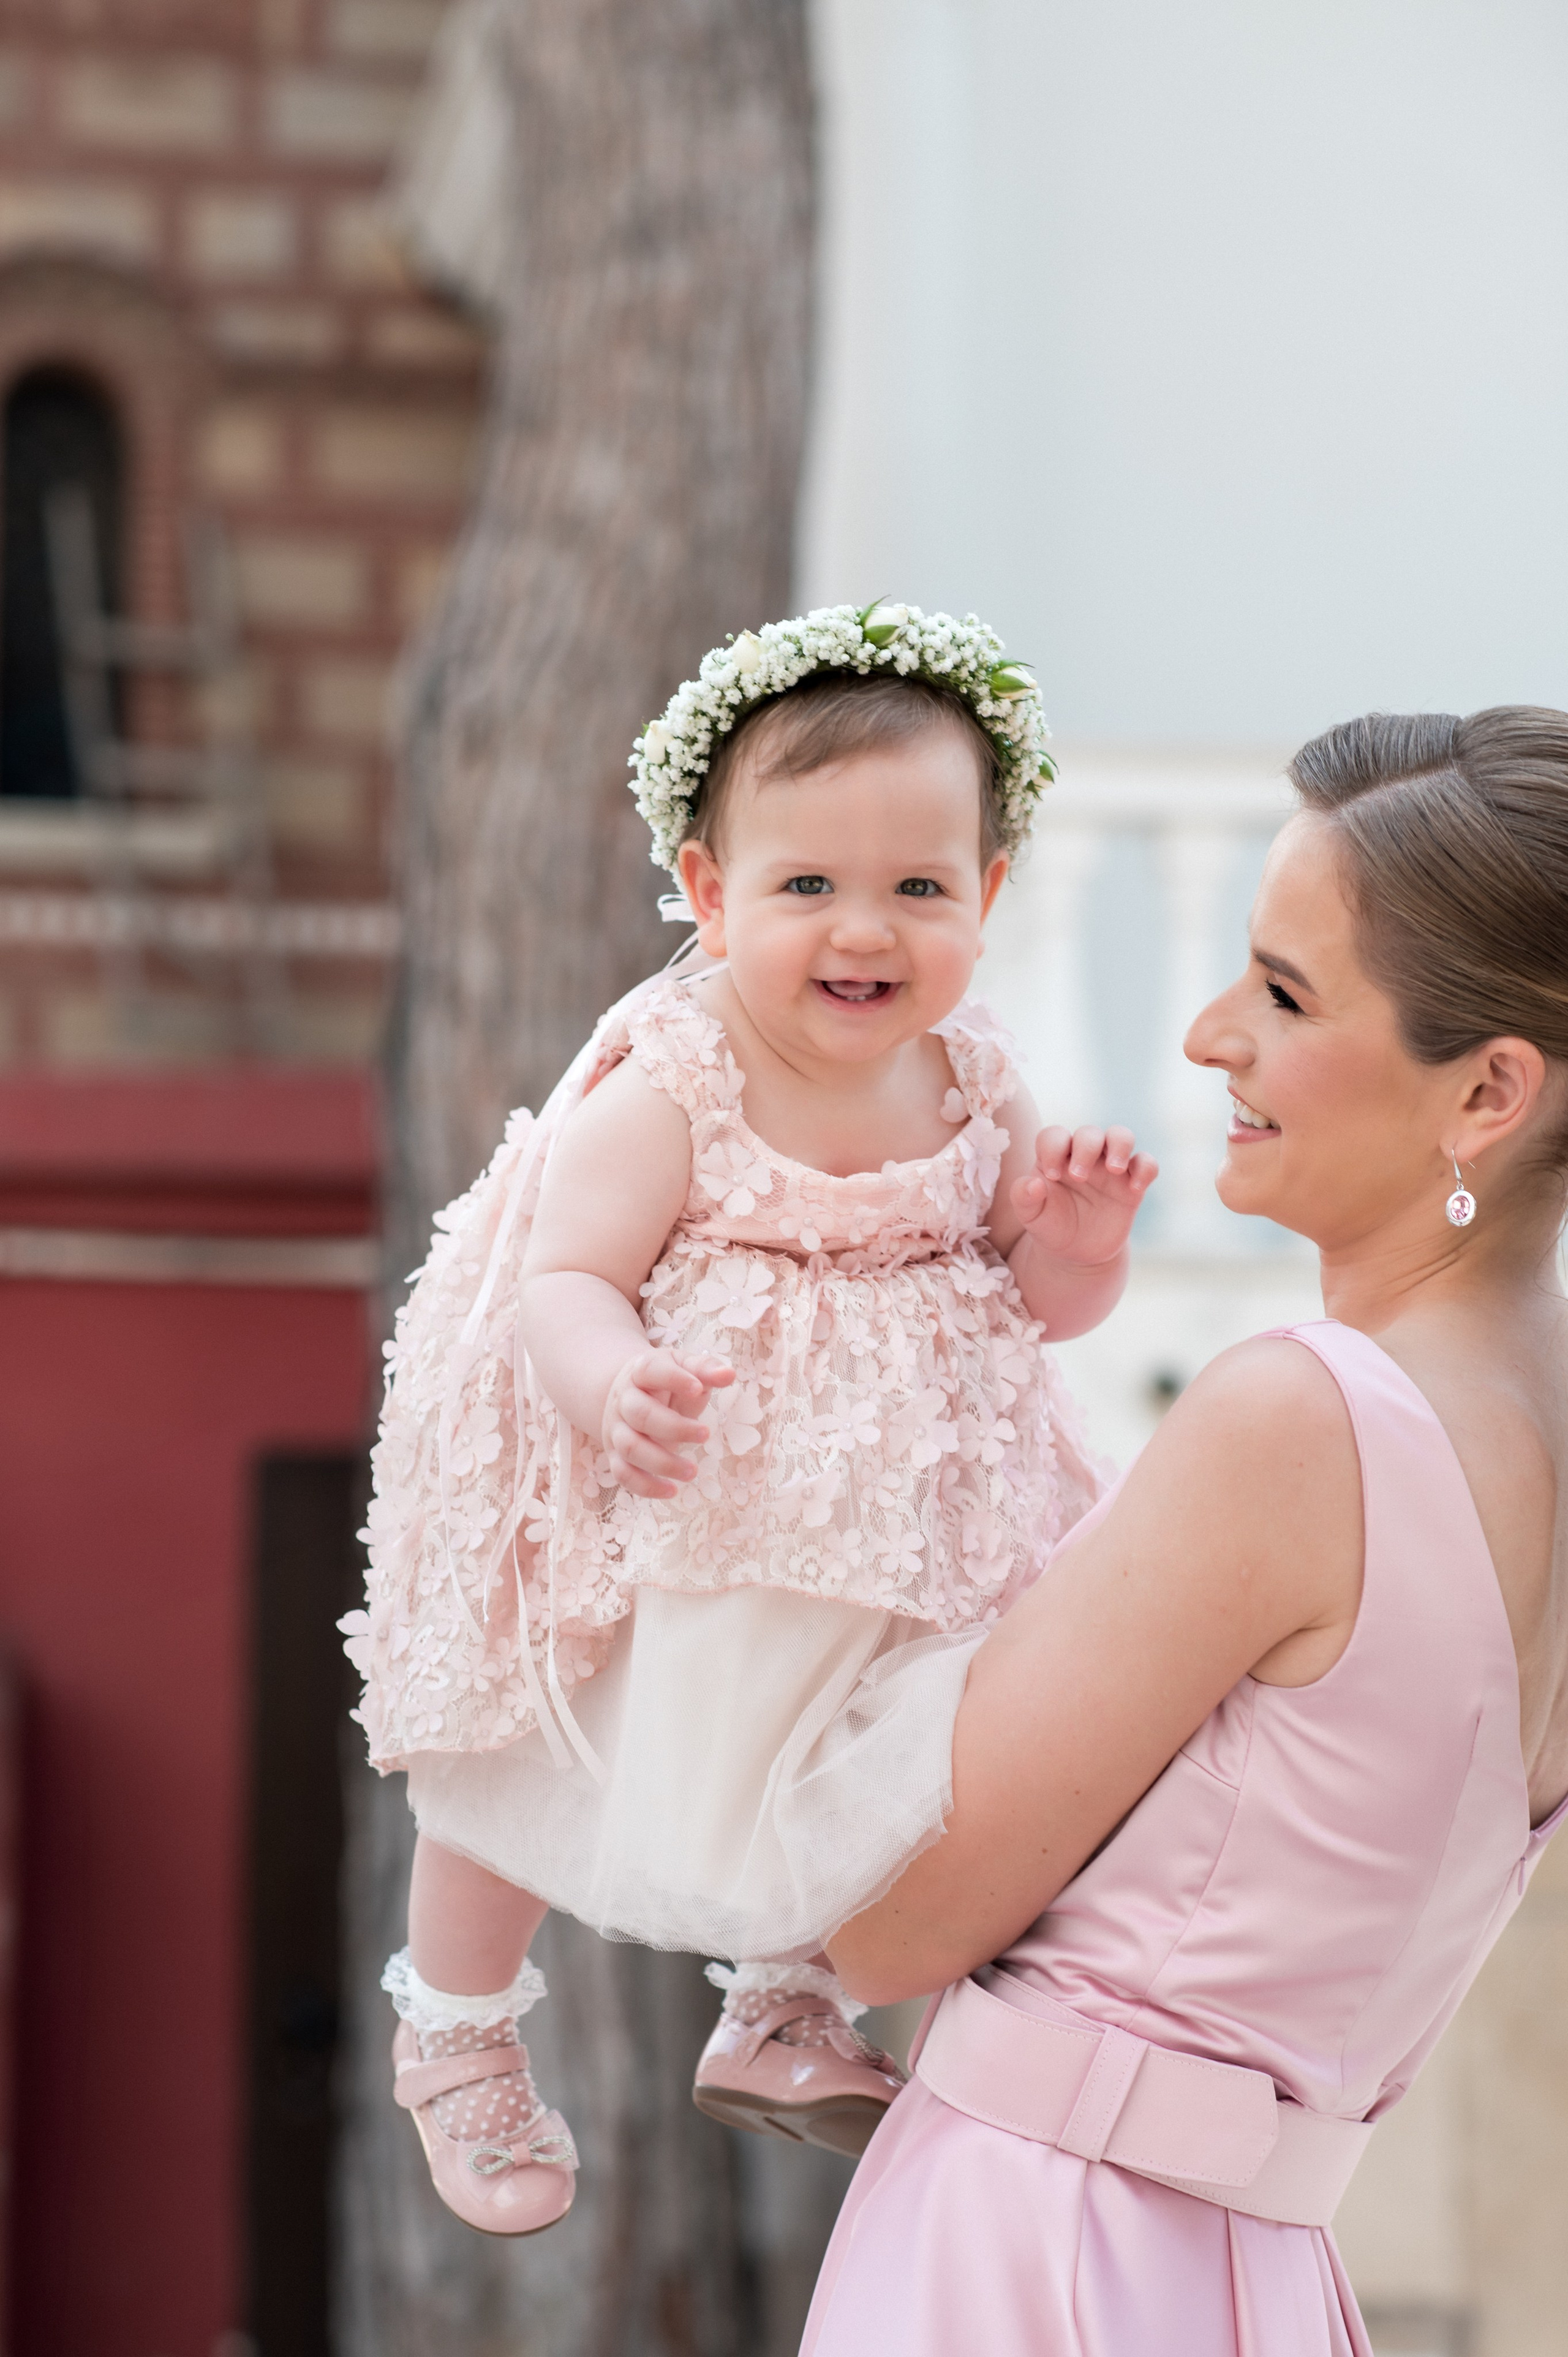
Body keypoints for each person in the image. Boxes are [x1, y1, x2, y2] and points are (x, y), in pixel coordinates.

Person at [341, 602, 1158, 2233]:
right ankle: (459, 2035)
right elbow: (562, 1280)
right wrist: (610, 1386)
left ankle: (789, 2003)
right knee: (535, 1745)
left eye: (919, 887)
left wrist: (1078, 1239)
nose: (866, 929)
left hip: (895, 1515)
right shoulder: (678, 1078)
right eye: (807, 886)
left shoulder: (976, 1082)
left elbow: (1044, 1309)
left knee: (881, 1742)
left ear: (987, 900)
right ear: (711, 898)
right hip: (685, 1502)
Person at [802, 706, 1568, 2357]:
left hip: (1039, 2253)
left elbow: (883, 1918)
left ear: (1490, 1092)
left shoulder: (1299, 1423)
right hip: (1261, 2280)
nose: (1214, 1036)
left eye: (1288, 997)